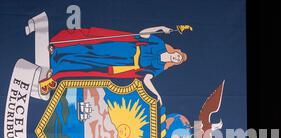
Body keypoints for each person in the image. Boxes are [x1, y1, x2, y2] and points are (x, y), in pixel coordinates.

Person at [39, 25, 188, 103]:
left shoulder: (160, 67)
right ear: (176, 51)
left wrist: (157, 95)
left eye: (178, 60)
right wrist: (160, 28)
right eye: (177, 56)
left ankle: (58, 68)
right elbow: (143, 33)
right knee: (92, 48)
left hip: (123, 65)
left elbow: (147, 79)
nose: (176, 58)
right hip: (123, 48)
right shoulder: (159, 43)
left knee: (89, 63)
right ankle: (58, 48)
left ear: (175, 63)